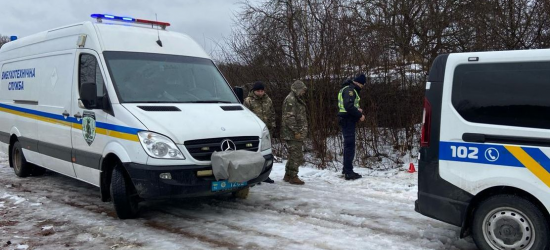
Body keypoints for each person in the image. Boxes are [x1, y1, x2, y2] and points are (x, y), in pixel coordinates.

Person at [244, 81, 276, 183]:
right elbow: (244, 116)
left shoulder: (268, 100)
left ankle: (265, 175)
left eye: (262, 91)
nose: (260, 93)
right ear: (254, 91)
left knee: (265, 153)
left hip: (266, 131)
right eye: (258, 91)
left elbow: (272, 113)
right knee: (252, 155)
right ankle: (252, 177)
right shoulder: (248, 101)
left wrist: (272, 126)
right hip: (253, 132)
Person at [337, 73, 366, 180]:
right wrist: (360, 115)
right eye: (362, 85)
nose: (362, 88)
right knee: (350, 146)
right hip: (347, 120)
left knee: (348, 146)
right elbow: (348, 106)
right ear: (358, 83)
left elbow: (348, 105)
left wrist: (357, 109)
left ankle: (346, 169)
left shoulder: (347, 89)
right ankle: (349, 172)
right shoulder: (350, 90)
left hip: (346, 119)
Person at [281, 80, 308, 185]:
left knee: (293, 154)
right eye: (302, 90)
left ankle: (288, 174)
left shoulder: (296, 99)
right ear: (297, 89)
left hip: (294, 132)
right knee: (297, 155)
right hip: (292, 133)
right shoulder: (291, 99)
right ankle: (293, 176)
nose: (303, 92)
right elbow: (289, 117)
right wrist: (296, 131)